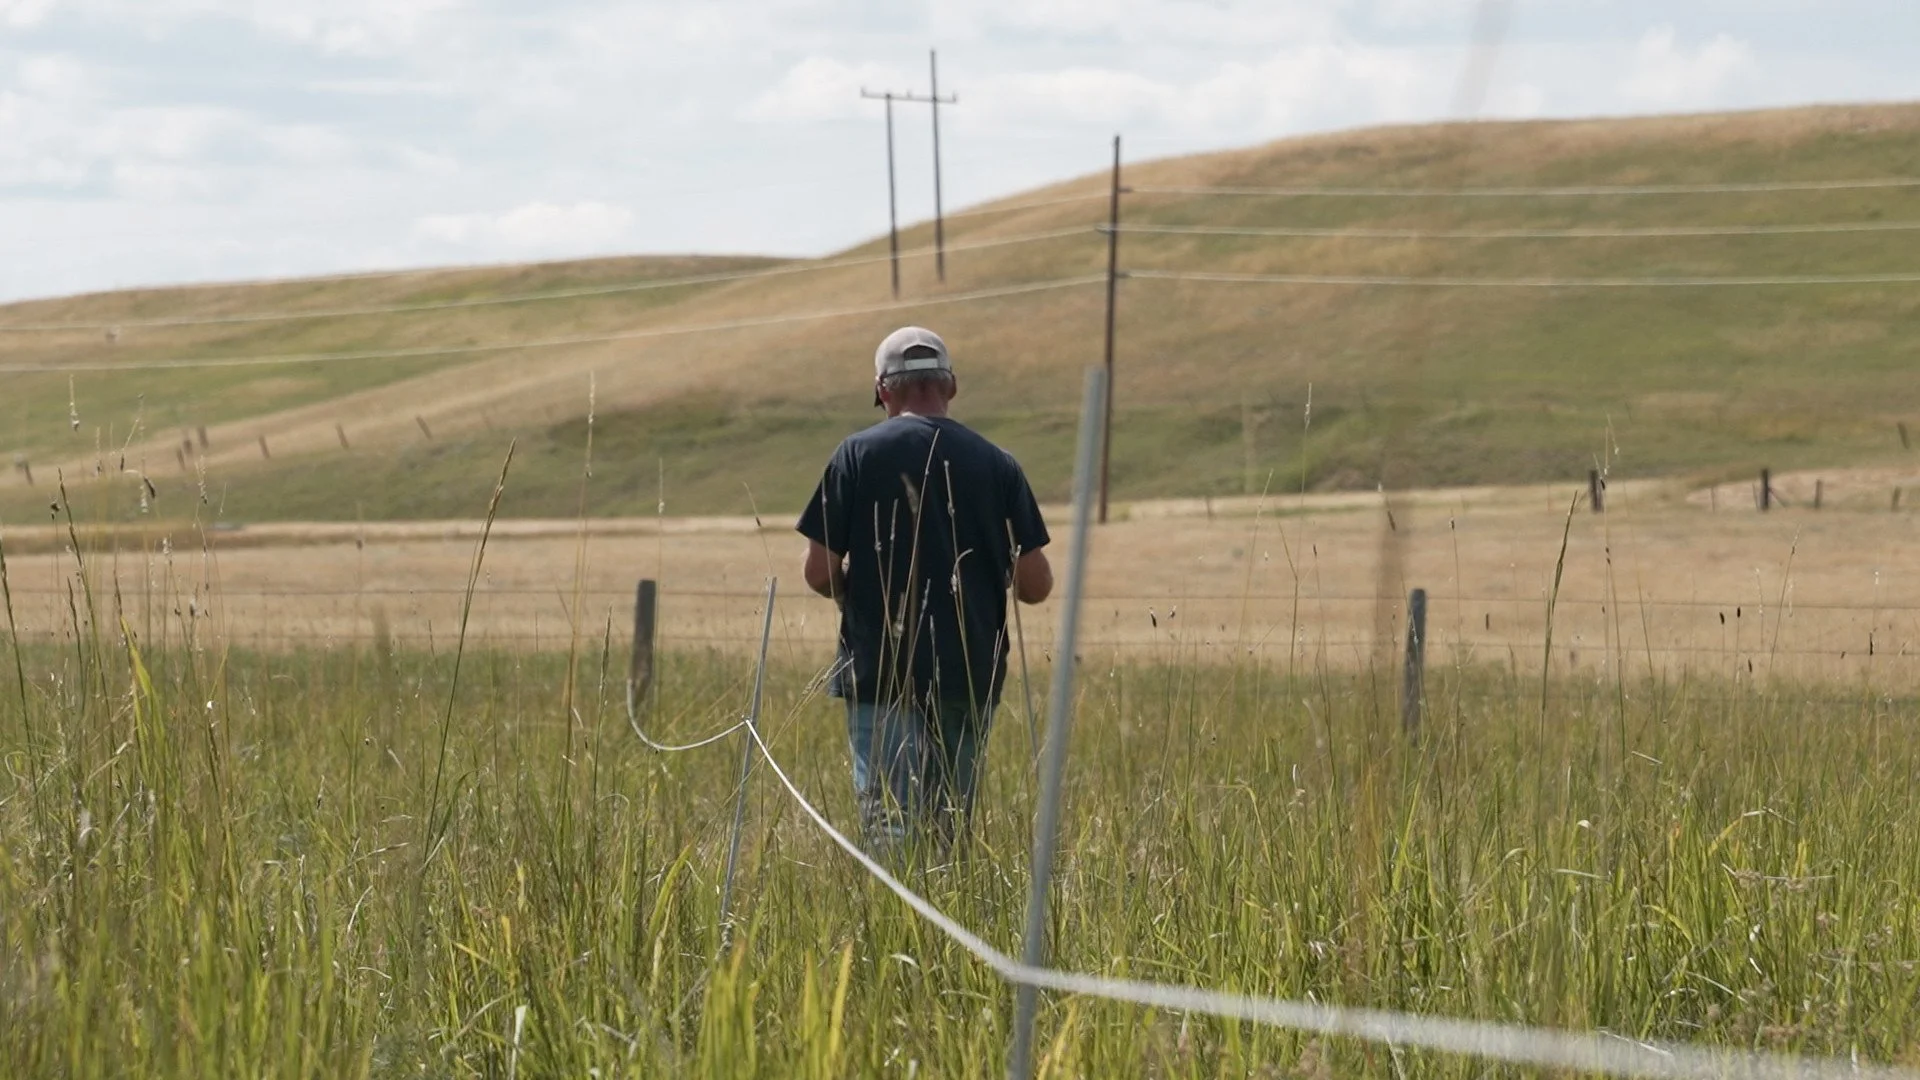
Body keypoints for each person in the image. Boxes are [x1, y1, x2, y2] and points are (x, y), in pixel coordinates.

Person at [796, 326, 1053, 858]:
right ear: (951, 386)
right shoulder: (998, 463)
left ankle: (892, 930)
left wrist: (856, 590)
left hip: (879, 667)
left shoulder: (856, 454)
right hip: (970, 665)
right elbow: (1037, 585)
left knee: (889, 824)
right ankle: (947, 928)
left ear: (883, 391)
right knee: (948, 825)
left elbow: (818, 573)